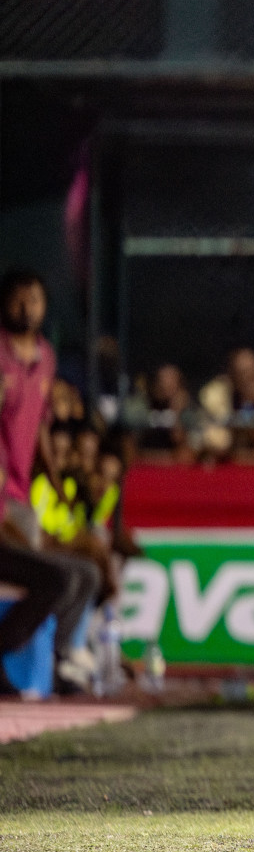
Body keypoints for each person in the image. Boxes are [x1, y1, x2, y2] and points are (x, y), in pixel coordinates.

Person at [0, 270, 101, 692]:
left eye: (36, 300)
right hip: (4, 501)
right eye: (19, 300)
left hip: (20, 498)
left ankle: (59, 662)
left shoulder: (46, 355)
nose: (27, 308)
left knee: (79, 574)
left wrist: (57, 483)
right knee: (53, 578)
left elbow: (39, 426)